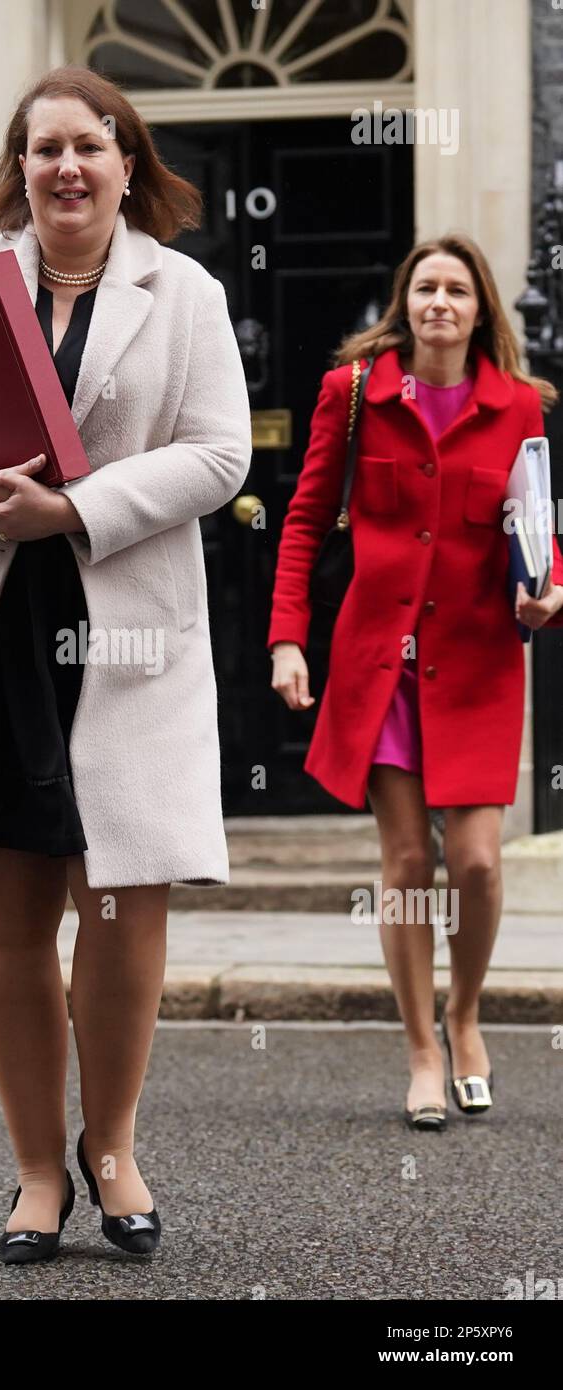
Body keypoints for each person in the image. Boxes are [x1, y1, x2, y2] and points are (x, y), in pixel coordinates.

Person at [0, 65, 251, 1260]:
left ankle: (112, 1148)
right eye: (44, 151)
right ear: (18, 169)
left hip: (125, 635)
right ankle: (37, 1170)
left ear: (129, 162)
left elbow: (221, 453)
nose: (67, 168)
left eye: (90, 145)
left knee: (123, 907)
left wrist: (74, 507)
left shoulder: (181, 293)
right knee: (10, 912)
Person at [268, 233, 563, 1131]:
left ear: (480, 312)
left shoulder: (519, 406)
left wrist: (550, 591)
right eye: (426, 287)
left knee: (474, 861)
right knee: (406, 862)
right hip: (381, 664)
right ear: (407, 303)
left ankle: (466, 1015)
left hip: (476, 663)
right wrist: (289, 640)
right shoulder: (355, 394)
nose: (441, 302)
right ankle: (422, 1050)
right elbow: (307, 517)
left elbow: (537, 527)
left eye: (458, 290)